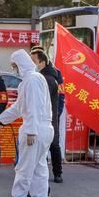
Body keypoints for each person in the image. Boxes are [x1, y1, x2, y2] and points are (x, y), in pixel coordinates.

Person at [0, 49, 54, 197]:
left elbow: (33, 107)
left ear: (20, 64)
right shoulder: (33, 80)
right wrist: (1, 120)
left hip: (35, 131)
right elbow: (20, 107)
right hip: (43, 129)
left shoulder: (31, 81)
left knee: (24, 167)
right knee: (39, 167)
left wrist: (30, 131)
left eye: (14, 66)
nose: (14, 69)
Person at [30, 48, 63, 183]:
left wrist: (57, 113)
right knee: (49, 146)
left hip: (48, 118)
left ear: (42, 62)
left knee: (51, 146)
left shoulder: (47, 79)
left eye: (34, 61)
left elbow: (42, 100)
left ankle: (56, 173)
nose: (32, 65)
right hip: (49, 117)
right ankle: (53, 173)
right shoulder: (43, 76)